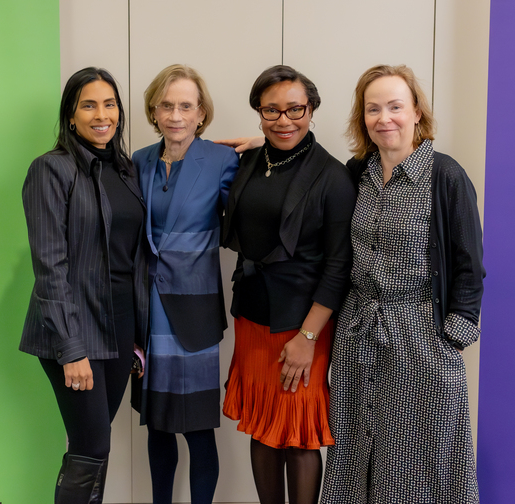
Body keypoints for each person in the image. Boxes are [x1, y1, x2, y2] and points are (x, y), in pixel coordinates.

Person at [321, 64, 484, 504]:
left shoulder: (444, 176)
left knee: (417, 456)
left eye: (395, 106)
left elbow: (470, 264)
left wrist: (455, 332)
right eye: (373, 109)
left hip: (421, 335)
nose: (384, 118)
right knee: (354, 448)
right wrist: (268, 147)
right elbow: (312, 174)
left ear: (416, 113)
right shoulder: (358, 174)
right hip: (358, 333)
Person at [221, 65, 355, 504]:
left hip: (301, 325)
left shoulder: (332, 177)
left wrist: (308, 337)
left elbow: (338, 267)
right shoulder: (251, 160)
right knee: (263, 426)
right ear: (259, 114)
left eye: (295, 109)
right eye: (271, 111)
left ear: (311, 109)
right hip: (253, 317)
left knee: (297, 435)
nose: (284, 120)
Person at [20, 67, 147, 504]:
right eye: (89, 104)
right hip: (72, 331)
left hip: (118, 331)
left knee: (96, 446)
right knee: (91, 447)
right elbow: (50, 266)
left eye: (109, 104)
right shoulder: (50, 170)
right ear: (70, 116)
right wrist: (71, 349)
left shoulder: (127, 170)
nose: (101, 115)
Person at [131, 64, 238, 504]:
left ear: (201, 113)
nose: (176, 114)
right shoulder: (137, 161)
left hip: (193, 309)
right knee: (158, 425)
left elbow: (249, 209)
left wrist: (258, 146)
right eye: (167, 105)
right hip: (146, 308)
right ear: (154, 111)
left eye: (186, 106)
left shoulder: (221, 159)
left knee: (196, 428)